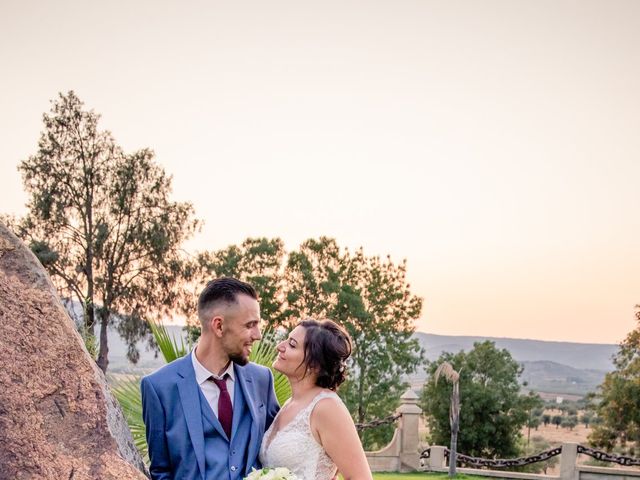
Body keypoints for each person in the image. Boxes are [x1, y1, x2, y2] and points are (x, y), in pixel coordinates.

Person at [141, 277, 280, 480]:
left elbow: (276, 448)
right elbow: (161, 472)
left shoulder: (261, 380)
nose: (258, 335)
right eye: (250, 325)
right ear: (219, 326)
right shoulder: (159, 388)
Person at [260, 319, 373, 480]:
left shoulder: (327, 407)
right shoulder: (288, 405)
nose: (280, 346)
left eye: (292, 345)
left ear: (315, 364)